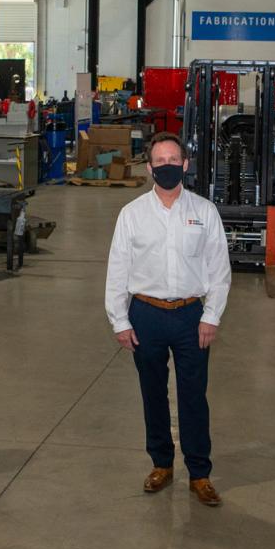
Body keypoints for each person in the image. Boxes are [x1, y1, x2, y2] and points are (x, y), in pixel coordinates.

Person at [105, 131, 231, 506]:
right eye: (160, 161)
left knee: (193, 396)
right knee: (153, 393)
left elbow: (219, 269)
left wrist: (211, 315)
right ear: (149, 168)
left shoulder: (204, 212)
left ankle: (199, 473)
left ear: (185, 164)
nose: (167, 166)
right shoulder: (132, 215)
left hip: (192, 316)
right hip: (145, 315)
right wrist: (120, 320)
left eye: (173, 160)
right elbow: (117, 270)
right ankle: (161, 463)